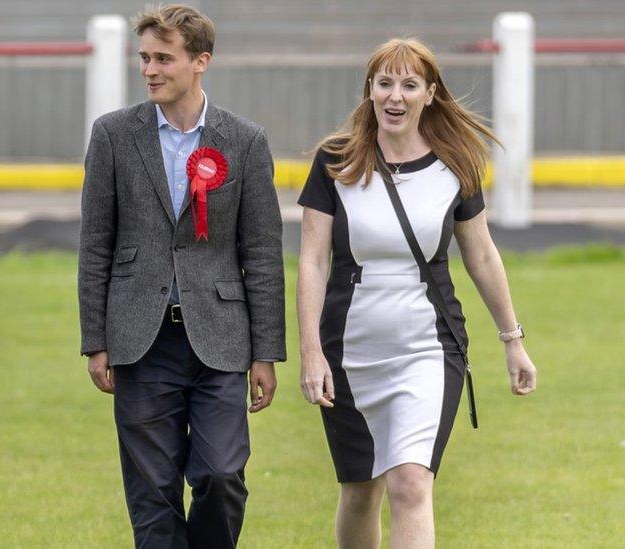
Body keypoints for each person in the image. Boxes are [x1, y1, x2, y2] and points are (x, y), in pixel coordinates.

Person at [296, 38, 538, 547]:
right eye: (385, 83)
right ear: (369, 90)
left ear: (430, 93)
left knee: (409, 483)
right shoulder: (334, 161)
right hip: (349, 352)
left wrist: (512, 338)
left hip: (427, 350)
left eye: (409, 85)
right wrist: (311, 352)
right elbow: (314, 261)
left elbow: (482, 255)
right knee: (361, 489)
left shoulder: (457, 164)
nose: (395, 96)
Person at [78, 5, 285, 548]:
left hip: (220, 342)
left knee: (220, 475)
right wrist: (95, 341)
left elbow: (262, 252)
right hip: (138, 342)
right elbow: (95, 245)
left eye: (164, 58)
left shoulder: (244, 140)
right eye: (144, 57)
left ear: (201, 62)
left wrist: (265, 352)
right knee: (152, 492)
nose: (149, 69)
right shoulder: (113, 135)